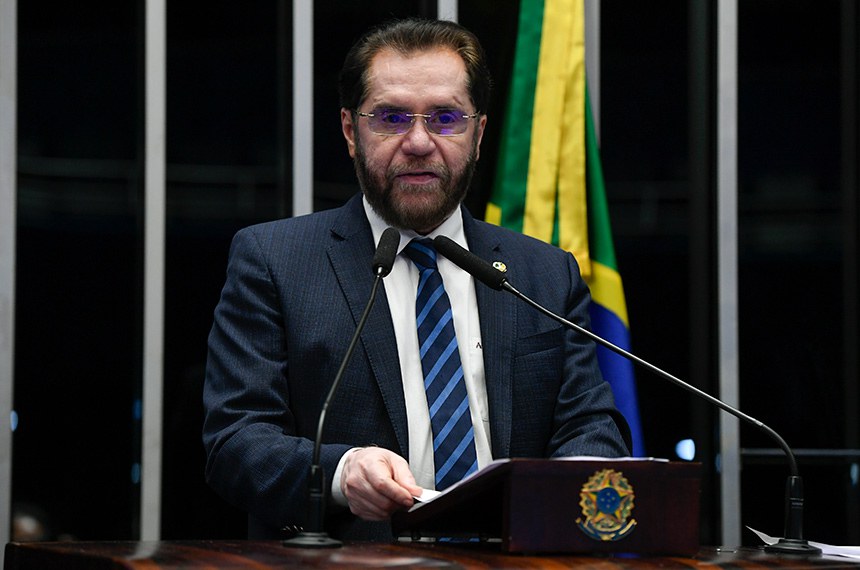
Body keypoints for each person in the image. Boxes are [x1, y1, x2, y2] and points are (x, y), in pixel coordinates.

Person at [202, 17, 631, 542]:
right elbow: (236, 440)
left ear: (479, 134)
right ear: (350, 131)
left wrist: (573, 481)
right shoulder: (275, 260)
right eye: (391, 117)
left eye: (446, 117)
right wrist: (342, 472)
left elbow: (590, 424)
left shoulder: (543, 273)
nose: (419, 142)